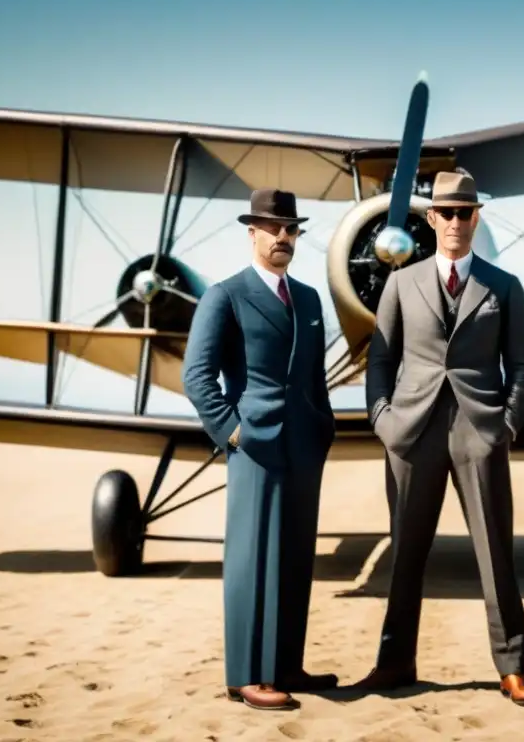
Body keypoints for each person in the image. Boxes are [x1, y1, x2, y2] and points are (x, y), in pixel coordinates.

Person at [356, 171, 524, 706]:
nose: (457, 221)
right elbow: (381, 360)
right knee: (405, 554)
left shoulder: (504, 286)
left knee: (495, 554)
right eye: (447, 213)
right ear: (431, 219)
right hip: (410, 434)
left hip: (479, 432)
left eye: (466, 212)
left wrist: (505, 424)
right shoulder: (400, 282)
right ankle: (394, 662)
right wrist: (382, 419)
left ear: (475, 218)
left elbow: (523, 365)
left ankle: (512, 668)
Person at [182, 188, 337, 711]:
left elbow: (314, 375)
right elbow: (197, 377)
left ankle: (286, 665)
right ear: (252, 232)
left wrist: (322, 424)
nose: (283, 237)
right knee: (253, 560)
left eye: (291, 229)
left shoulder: (311, 299)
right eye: (273, 228)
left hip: (303, 447)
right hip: (255, 447)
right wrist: (233, 433)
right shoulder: (224, 295)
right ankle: (248, 675)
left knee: (296, 558)